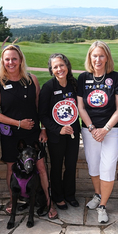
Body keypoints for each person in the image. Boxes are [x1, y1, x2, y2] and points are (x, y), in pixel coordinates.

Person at [0, 45, 58, 220]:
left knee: (41, 168)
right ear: (2, 62)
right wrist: (18, 123)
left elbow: (39, 107)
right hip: (11, 135)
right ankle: (14, 201)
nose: (11, 62)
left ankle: (49, 202)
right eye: (7, 59)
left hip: (33, 133)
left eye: (14, 58)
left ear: (21, 60)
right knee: (11, 169)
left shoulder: (31, 79)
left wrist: (43, 128)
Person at [77, 41, 118, 223]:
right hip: (89, 130)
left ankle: (103, 205)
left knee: (108, 167)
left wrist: (105, 129)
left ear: (107, 58)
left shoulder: (115, 78)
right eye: (94, 55)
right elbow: (80, 107)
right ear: (90, 57)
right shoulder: (83, 78)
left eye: (101, 55)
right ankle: (97, 195)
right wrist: (91, 128)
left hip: (111, 130)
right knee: (93, 166)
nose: (98, 59)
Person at [38, 53, 80, 210]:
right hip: (56, 135)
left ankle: (70, 195)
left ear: (67, 66)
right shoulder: (48, 87)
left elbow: (80, 107)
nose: (59, 69)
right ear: (51, 70)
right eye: (55, 67)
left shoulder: (74, 84)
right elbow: (42, 114)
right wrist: (58, 129)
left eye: (62, 65)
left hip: (73, 133)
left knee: (71, 165)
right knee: (56, 167)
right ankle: (58, 196)